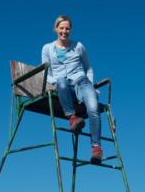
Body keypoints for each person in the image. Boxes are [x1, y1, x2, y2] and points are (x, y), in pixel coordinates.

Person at [41, 15, 102, 163]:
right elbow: (46, 73)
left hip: (81, 81)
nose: (64, 31)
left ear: (71, 30)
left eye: (67, 28)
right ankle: (72, 118)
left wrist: (91, 84)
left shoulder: (78, 46)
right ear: (56, 29)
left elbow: (88, 67)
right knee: (61, 81)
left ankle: (96, 148)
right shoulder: (47, 48)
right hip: (64, 86)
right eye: (61, 28)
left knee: (93, 109)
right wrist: (54, 81)